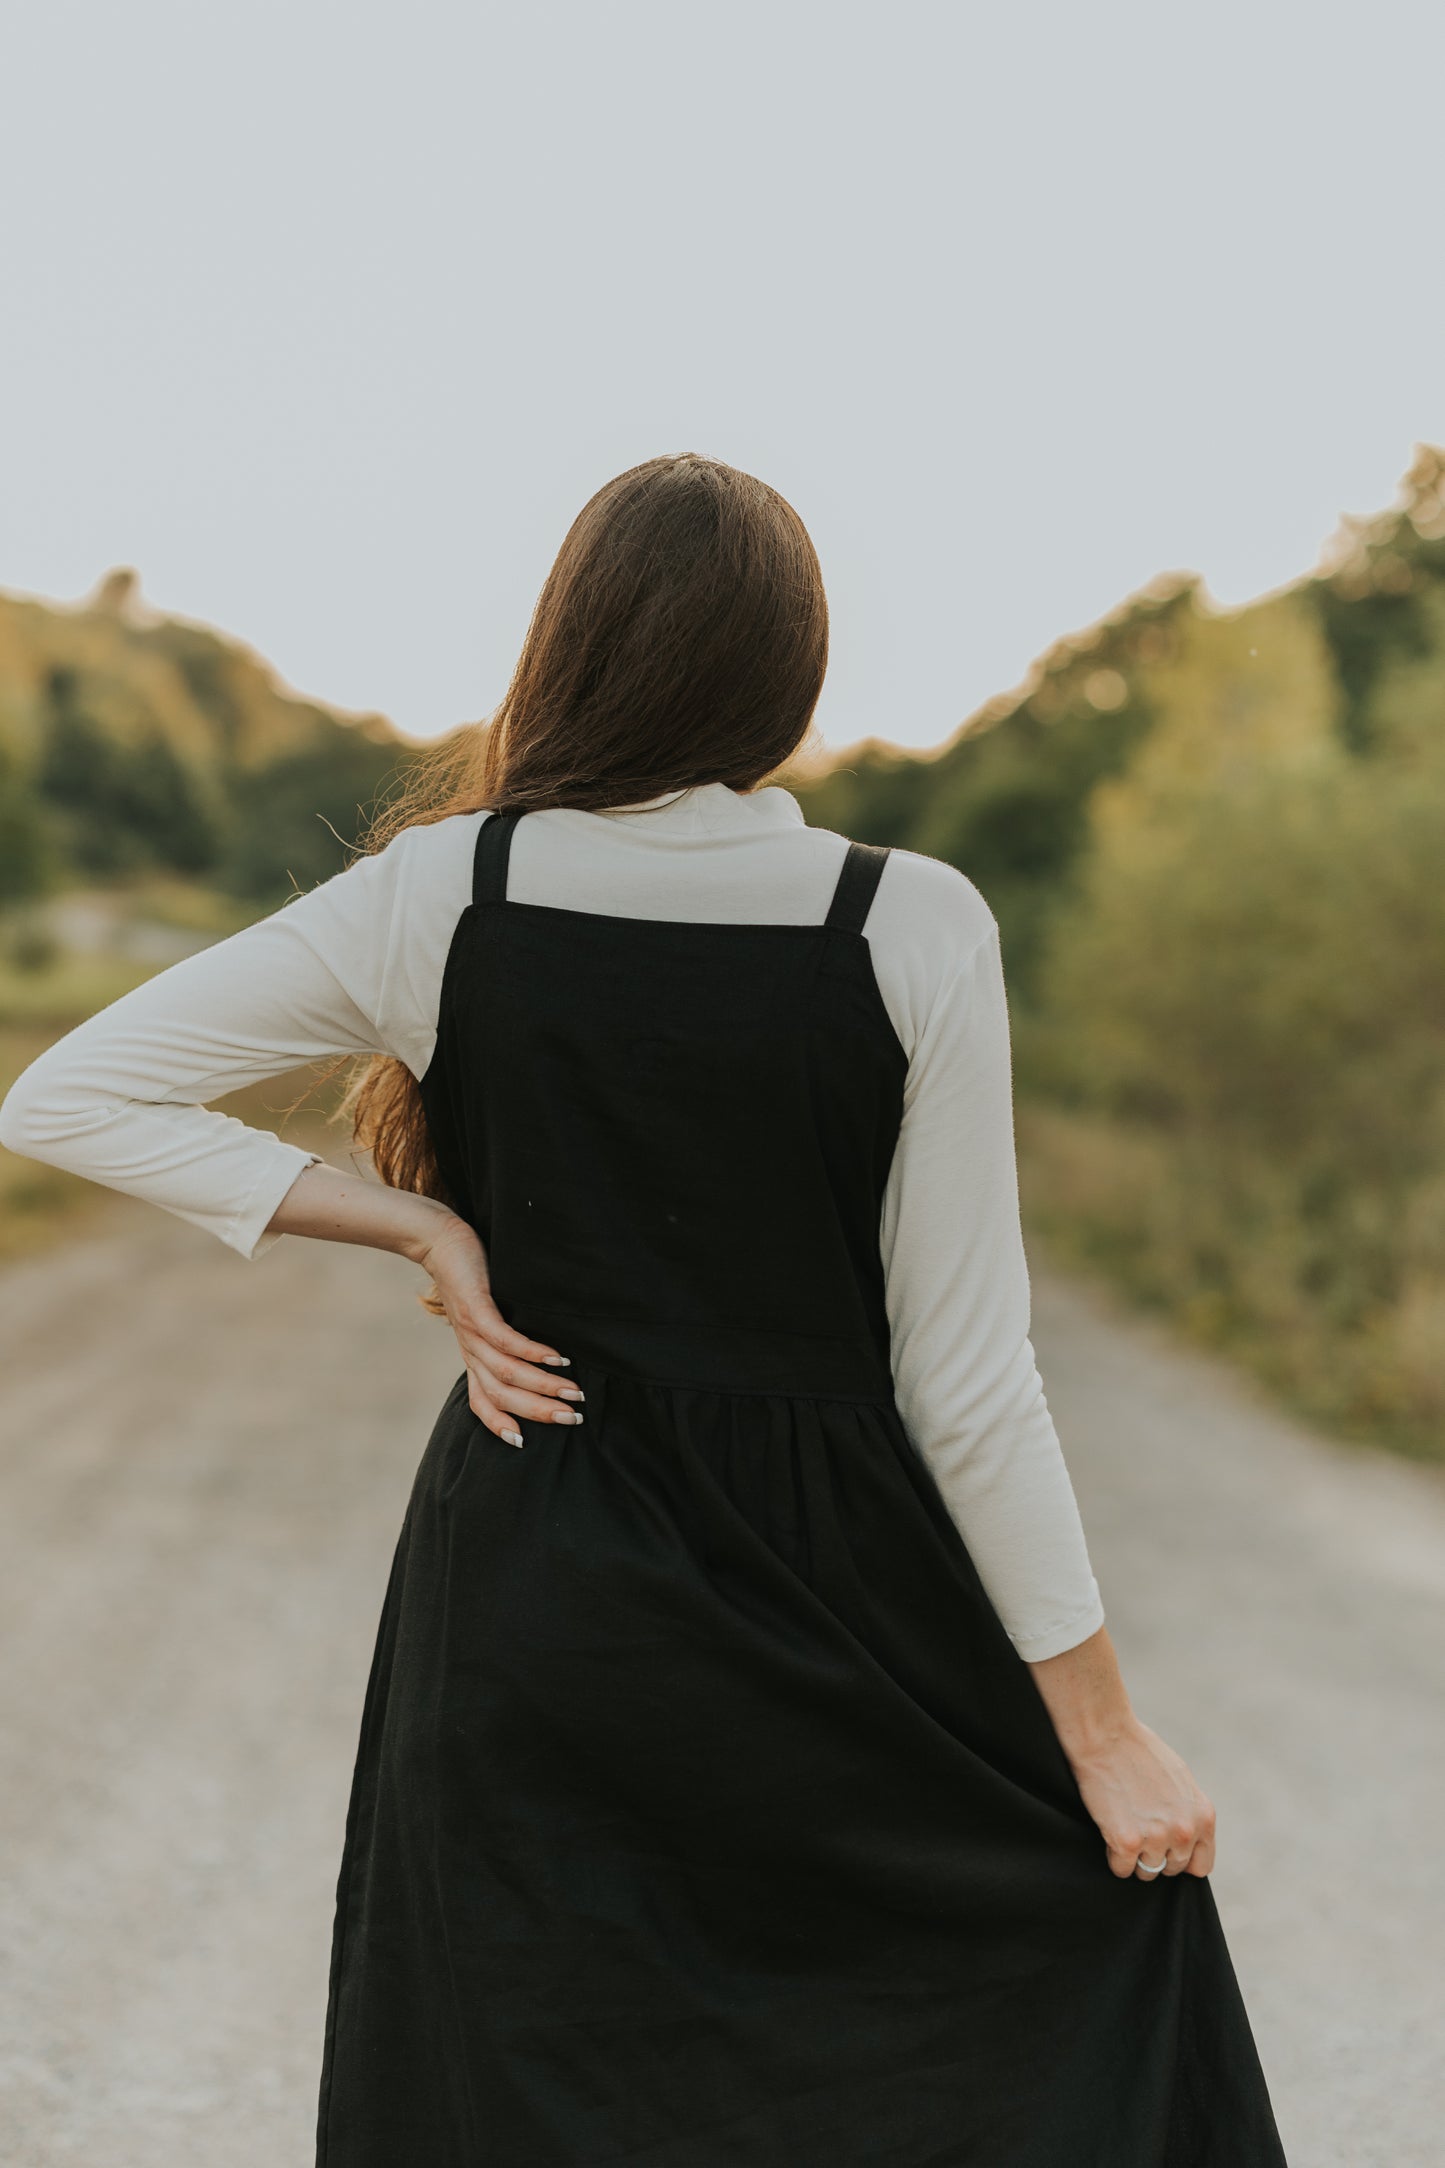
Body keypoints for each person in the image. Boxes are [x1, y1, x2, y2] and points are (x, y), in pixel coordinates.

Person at [0, 453, 1288, 2165]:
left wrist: (410, 1231)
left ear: (572, 648)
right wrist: (1104, 1739)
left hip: (538, 1574)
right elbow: (968, 1382)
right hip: (848, 1604)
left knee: (532, 2093)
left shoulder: (445, 891)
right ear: (792, 669)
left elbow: (68, 1097)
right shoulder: (908, 923)